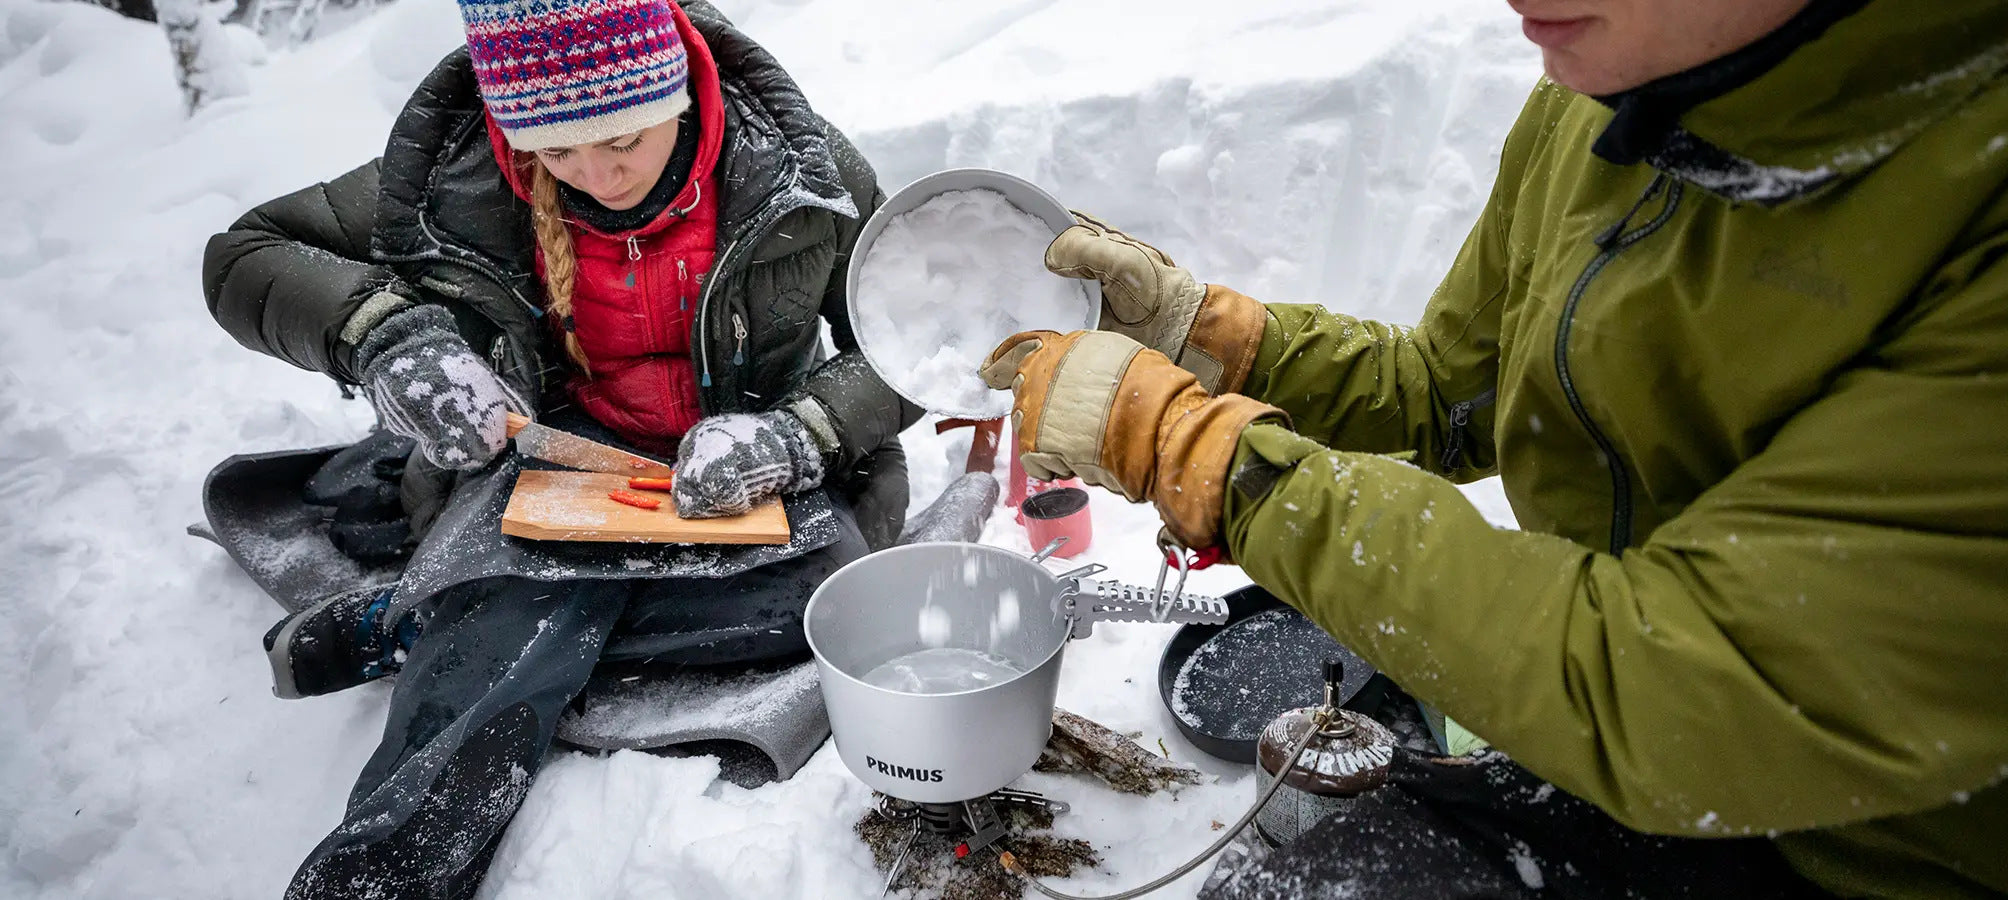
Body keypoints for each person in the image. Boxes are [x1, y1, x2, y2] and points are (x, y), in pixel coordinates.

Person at [982, 0, 2008, 897]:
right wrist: (1218, 339)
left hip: (1866, 852)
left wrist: (1217, 463)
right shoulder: (1605, 90)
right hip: (1603, 753)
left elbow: (1669, 686)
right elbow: (1450, 390)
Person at [201, 0, 919, 895]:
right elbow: (244, 257)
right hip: (540, 468)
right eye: (558, 148)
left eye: (623, 138)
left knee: (826, 600)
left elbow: (907, 341)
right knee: (514, 615)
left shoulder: (800, 165)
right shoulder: (454, 170)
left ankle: (425, 618)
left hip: (742, 464)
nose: (596, 174)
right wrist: (387, 336)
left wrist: (803, 433)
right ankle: (380, 875)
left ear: (678, 88)